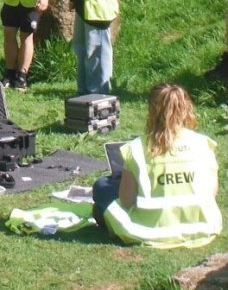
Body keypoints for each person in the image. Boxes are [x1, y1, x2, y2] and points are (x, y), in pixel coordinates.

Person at [92, 84, 222, 248]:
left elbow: (126, 201)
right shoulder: (203, 144)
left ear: (151, 112)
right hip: (203, 225)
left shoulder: (137, 148)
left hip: (149, 229)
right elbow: (211, 192)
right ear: (187, 108)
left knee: (102, 186)